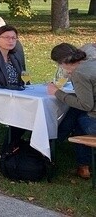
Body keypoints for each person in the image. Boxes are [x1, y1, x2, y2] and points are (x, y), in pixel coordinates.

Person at [47, 43, 96, 180]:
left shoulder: (79, 73)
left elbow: (86, 105)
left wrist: (57, 93)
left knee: (76, 120)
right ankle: (56, 142)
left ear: (62, 63)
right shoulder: (91, 64)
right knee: (74, 113)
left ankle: (53, 143)